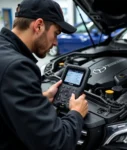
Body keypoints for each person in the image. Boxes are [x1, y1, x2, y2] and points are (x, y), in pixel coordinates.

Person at [0, 0, 88, 149]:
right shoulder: (17, 67)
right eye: (56, 33)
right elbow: (55, 143)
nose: (55, 43)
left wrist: (40, 100)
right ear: (39, 25)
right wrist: (76, 114)